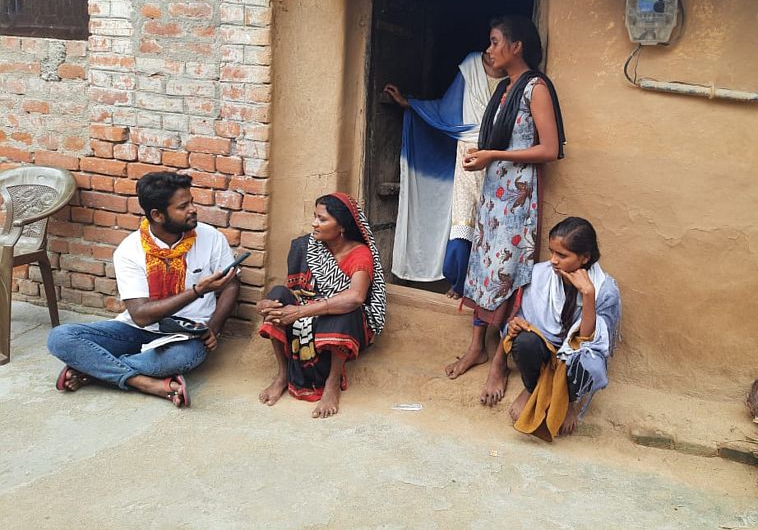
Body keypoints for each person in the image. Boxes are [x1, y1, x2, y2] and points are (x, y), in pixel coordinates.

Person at [446, 15, 567, 408]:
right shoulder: (504, 90)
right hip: (494, 198)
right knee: (483, 269)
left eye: (496, 42)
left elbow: (549, 149)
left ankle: (499, 361)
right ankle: (477, 346)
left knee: (506, 274)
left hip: (516, 201)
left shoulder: (537, 88)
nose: (490, 49)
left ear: (517, 47)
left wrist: (494, 154)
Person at [47, 172, 239, 408]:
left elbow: (231, 284)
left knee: (185, 357)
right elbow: (140, 316)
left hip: (187, 335)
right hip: (136, 330)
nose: (193, 209)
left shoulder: (210, 237)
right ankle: (146, 383)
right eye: (183, 206)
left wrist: (214, 327)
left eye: (191, 202)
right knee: (60, 338)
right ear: (157, 215)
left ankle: (93, 369)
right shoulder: (130, 250)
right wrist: (197, 290)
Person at [383, 50, 504, 297]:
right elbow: (446, 111)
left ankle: (491, 287)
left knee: (497, 223)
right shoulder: (471, 67)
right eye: (489, 42)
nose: (490, 52)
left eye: (496, 42)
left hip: (503, 156)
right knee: (465, 219)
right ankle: (460, 283)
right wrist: (411, 104)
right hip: (467, 154)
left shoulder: (517, 79)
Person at [256, 193, 386, 418]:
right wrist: (268, 304)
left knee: (347, 310)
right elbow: (295, 289)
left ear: (342, 226)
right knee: (277, 295)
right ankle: (283, 374)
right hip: (308, 309)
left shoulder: (360, 254)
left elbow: (356, 297)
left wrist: (300, 311)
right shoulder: (305, 246)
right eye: (315, 217)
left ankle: (332, 382)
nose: (314, 223)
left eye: (322, 219)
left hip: (345, 323)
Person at [504, 217, 621, 441]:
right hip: (544, 349)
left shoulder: (605, 290)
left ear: (584, 258)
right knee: (524, 342)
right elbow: (521, 317)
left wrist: (588, 295)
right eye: (552, 252)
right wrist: (516, 325)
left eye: (562, 255)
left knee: (589, 361)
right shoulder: (540, 274)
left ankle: (569, 401)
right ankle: (531, 388)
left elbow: (588, 341)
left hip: (574, 354)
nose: (553, 261)